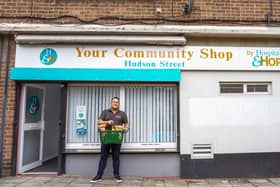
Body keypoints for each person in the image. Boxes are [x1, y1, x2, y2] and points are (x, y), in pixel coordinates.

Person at [90, 97, 129, 183]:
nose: (115, 103)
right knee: (103, 157)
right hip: (106, 138)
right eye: (114, 102)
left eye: (117, 102)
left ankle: (117, 176)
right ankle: (98, 176)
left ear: (118, 104)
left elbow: (126, 124)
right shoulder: (105, 112)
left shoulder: (122, 114)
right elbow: (99, 122)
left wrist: (126, 129)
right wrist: (107, 122)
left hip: (117, 139)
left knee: (116, 157)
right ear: (111, 103)